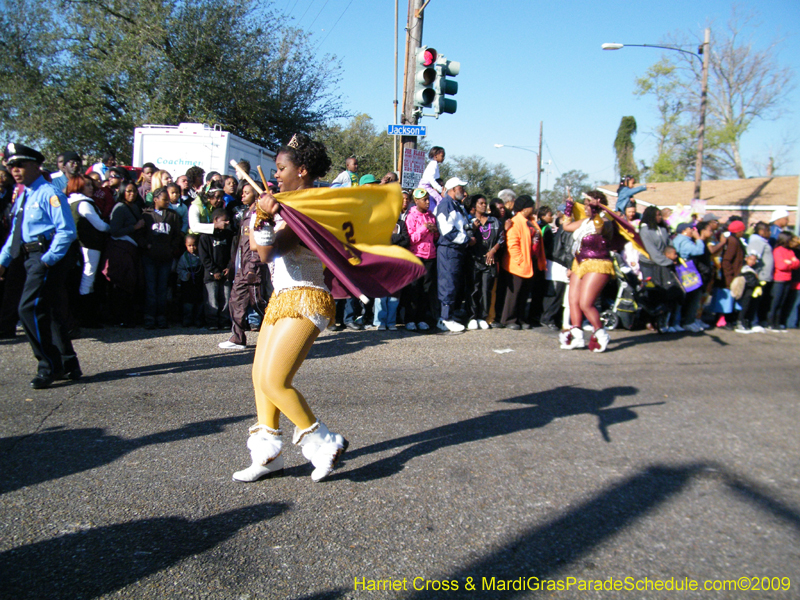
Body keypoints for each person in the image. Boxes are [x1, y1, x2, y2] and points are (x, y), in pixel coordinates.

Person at [232, 132, 347, 484]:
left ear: (303, 170)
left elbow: (270, 251)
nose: (276, 175)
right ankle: (269, 455)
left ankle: (324, 442)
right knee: (258, 378)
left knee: (274, 379)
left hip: (307, 296)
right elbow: (259, 248)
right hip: (282, 297)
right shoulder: (285, 205)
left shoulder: (309, 206)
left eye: (282, 168)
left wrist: (264, 219)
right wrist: (262, 217)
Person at [0, 143, 81, 388]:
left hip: (44, 256)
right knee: (51, 310)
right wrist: (2, 262)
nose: (15, 170)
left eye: (20, 165)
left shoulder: (49, 193)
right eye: (11, 165)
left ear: (36, 166)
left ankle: (49, 365)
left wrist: (47, 260)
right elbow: (16, 232)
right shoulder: (25, 194)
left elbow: (66, 231)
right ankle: (68, 364)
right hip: (27, 256)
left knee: (28, 308)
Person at [558, 191, 631, 352]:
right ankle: (577, 335)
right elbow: (566, 226)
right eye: (584, 203)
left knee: (586, 303)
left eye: (588, 204)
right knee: (573, 300)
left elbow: (598, 230)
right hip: (579, 263)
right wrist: (569, 207)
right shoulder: (585, 222)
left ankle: (600, 333)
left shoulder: (605, 222)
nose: (585, 207)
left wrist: (598, 210)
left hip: (598, 264)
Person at [220, 183, 264, 349]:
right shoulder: (246, 212)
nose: (242, 196)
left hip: (253, 265)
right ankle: (237, 337)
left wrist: (253, 265)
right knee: (236, 298)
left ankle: (280, 332)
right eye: (242, 193)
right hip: (242, 264)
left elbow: (257, 242)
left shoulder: (259, 214)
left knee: (258, 302)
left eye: (247, 193)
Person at [66, 174, 109, 327]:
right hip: (89, 245)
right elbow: (100, 226)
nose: (91, 188)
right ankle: (87, 317)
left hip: (79, 245)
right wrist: (113, 228)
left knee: (84, 278)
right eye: (88, 185)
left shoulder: (70, 201)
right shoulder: (84, 203)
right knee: (88, 279)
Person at [140, 187, 183, 328]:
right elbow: (140, 234)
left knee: (163, 288)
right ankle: (149, 317)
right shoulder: (147, 215)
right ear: (155, 199)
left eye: (168, 200)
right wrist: (146, 245)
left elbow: (177, 235)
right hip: (150, 258)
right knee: (151, 288)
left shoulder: (173, 215)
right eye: (164, 200)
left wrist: (171, 249)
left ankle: (162, 317)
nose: (167, 202)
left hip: (166, 257)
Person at [104, 181, 145, 327]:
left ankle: (128, 316)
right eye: (128, 191)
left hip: (131, 249)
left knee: (130, 283)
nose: (132, 194)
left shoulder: (133, 207)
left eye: (134, 191)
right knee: (121, 283)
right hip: (121, 250)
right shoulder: (120, 208)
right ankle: (120, 317)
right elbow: (114, 230)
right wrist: (134, 227)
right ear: (122, 192)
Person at [434, 177, 473, 332]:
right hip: (449, 249)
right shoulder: (446, 205)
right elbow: (447, 230)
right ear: (452, 189)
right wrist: (467, 240)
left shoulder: (457, 206)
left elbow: (462, 225)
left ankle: (449, 315)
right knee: (447, 283)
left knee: (454, 282)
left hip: (457, 250)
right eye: (460, 187)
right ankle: (444, 318)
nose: (463, 190)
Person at [639, 205, 683, 332]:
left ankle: (662, 320)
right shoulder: (645, 230)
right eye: (657, 215)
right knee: (651, 291)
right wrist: (667, 261)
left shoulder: (662, 228)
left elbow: (669, 244)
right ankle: (648, 320)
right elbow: (651, 251)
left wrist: (673, 257)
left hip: (663, 264)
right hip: (649, 264)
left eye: (660, 215)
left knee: (664, 292)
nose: (659, 217)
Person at [465, 194, 504, 330]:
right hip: (474, 260)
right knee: (473, 289)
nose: (483, 205)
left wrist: (493, 250)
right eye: (480, 203)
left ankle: (483, 316)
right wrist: (473, 229)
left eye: (485, 203)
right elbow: (466, 239)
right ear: (474, 206)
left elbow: (501, 238)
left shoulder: (494, 221)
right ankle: (472, 317)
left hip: (489, 260)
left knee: (486, 290)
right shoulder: (469, 221)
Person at [405, 188, 438, 331]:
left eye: (428, 199)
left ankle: (421, 318)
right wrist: (424, 228)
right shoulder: (411, 217)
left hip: (430, 257)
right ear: (416, 201)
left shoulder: (431, 216)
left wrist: (435, 231)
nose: (427, 202)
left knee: (426, 289)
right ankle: (410, 319)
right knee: (414, 289)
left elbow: (435, 238)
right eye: (424, 200)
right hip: (416, 256)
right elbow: (411, 239)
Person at [199, 208, 233, 330]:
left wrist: (229, 267)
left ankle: (224, 321)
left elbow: (232, 253)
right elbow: (204, 257)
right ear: (215, 220)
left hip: (226, 274)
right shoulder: (205, 237)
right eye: (225, 220)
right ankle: (212, 321)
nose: (228, 223)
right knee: (212, 299)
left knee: (226, 298)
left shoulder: (229, 236)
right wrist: (214, 271)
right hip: (211, 275)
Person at [672, 222, 706, 332]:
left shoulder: (677, 239)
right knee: (693, 294)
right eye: (692, 229)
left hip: (681, 269)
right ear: (685, 230)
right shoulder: (684, 240)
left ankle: (681, 321)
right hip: (686, 269)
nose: (693, 231)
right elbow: (699, 250)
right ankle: (687, 321)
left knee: (684, 296)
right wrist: (699, 239)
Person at [766, 231, 800, 330]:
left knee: (782, 303)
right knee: (775, 302)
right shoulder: (778, 250)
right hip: (779, 280)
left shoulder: (790, 251)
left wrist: (789, 263)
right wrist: (790, 263)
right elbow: (781, 265)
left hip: (788, 279)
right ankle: (770, 323)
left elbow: (797, 264)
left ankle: (777, 323)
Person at [746, 222, 774, 326]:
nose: (770, 233)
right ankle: (752, 321)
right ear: (761, 231)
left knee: (761, 300)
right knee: (755, 300)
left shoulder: (763, 241)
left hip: (764, 276)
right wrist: (756, 274)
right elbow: (753, 259)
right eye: (767, 230)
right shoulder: (757, 242)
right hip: (759, 276)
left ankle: (755, 320)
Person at [177, 233, 204, 327]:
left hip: (198, 281)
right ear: (185, 245)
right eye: (189, 245)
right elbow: (179, 269)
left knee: (199, 302)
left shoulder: (201, 256)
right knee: (188, 303)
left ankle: (198, 319)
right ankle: (187, 319)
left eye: (194, 245)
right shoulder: (184, 258)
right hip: (188, 283)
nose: (192, 248)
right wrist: (185, 274)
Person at [419, 147, 445, 212]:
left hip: (428, 185)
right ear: (435, 156)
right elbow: (431, 179)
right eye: (442, 156)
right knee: (438, 198)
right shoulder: (433, 164)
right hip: (425, 186)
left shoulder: (434, 164)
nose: (443, 158)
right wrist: (440, 189)